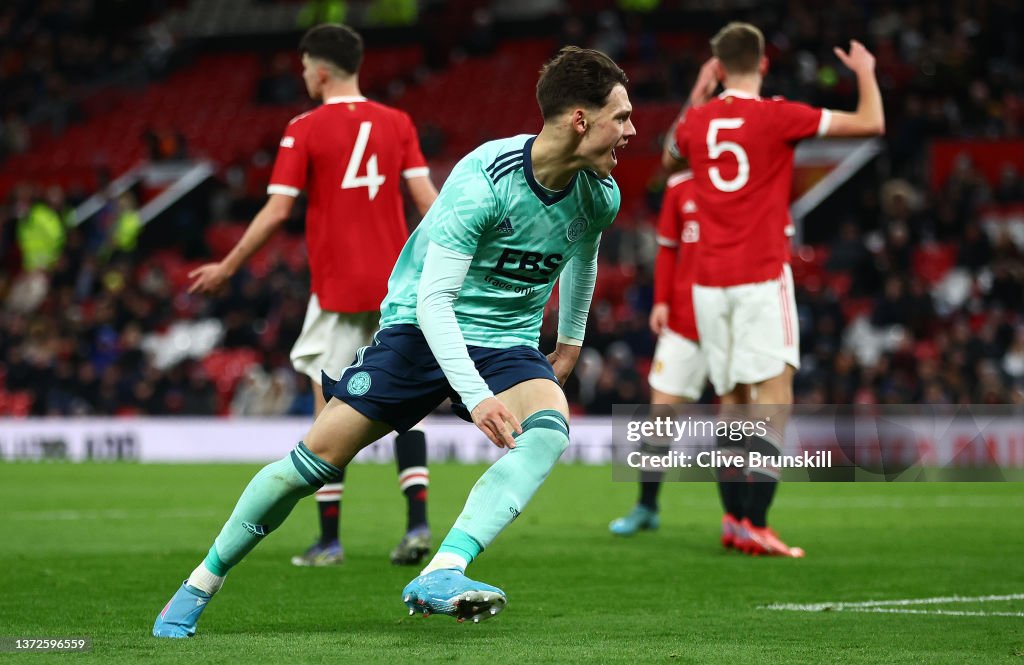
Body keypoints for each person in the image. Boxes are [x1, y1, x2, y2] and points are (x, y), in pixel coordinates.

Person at [153, 44, 633, 637]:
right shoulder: (485, 180)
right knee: (311, 465)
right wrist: (477, 396)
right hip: (420, 329)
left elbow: (582, 257)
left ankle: (444, 570)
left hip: (506, 340)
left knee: (548, 430)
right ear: (579, 119)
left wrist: (571, 342)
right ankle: (202, 580)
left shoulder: (598, 194)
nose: (631, 130)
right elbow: (433, 304)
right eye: (622, 116)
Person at [187, 24, 439, 568]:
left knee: (330, 410)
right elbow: (430, 204)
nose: (302, 76)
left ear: (320, 70)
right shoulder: (397, 123)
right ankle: (417, 523)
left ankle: (329, 540)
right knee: (407, 403)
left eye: (304, 68)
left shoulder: (303, 128)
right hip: (399, 287)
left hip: (337, 289)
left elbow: (278, 210)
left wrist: (229, 266)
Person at [663, 22, 884, 557]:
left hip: (708, 283)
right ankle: (758, 522)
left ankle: (736, 520)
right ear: (762, 64)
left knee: (732, 403)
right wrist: (867, 73)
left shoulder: (697, 121)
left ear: (716, 69)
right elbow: (871, 122)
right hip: (760, 276)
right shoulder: (779, 114)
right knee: (774, 397)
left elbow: (670, 156)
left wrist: (697, 96)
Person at [608, 169, 708, 536]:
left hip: (733, 318)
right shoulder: (680, 188)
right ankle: (646, 506)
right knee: (660, 415)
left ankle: (744, 516)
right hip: (684, 320)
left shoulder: (747, 183)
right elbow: (667, 250)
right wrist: (663, 301)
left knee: (741, 413)